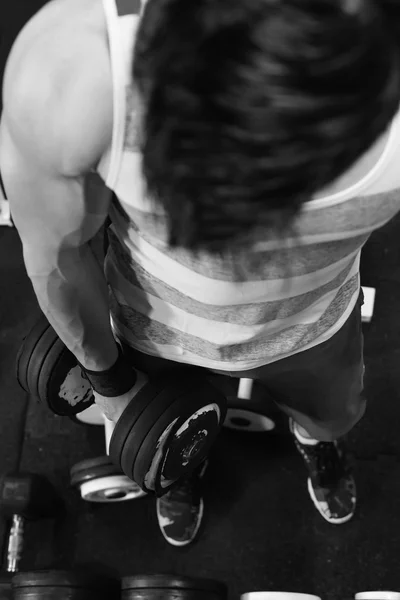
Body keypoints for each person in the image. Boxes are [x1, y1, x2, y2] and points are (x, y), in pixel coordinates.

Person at [1, 0, 400, 547]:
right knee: (169, 446)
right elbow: (58, 256)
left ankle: (315, 439)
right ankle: (183, 463)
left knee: (332, 416)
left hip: (318, 324)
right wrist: (114, 386)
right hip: (157, 330)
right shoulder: (77, 72)